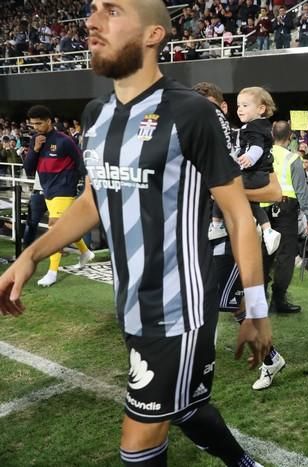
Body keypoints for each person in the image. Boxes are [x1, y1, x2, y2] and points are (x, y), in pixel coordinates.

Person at [0, 2, 272, 466]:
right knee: (186, 408)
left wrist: (256, 307)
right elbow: (92, 201)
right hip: (130, 304)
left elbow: (239, 215)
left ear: (153, 35)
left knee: (137, 443)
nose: (91, 22)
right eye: (91, 11)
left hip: (178, 311)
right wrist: (31, 254)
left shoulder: (192, 113)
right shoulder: (95, 114)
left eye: (112, 11)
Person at [193, 81, 285, 393]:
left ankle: (264, 357)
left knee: (223, 300)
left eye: (207, 107)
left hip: (236, 235)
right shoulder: (197, 141)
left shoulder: (244, 142)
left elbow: (274, 191)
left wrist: (226, 190)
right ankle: (267, 357)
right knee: (224, 303)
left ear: (222, 109)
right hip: (205, 232)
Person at [23, 105, 94, 287]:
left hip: (64, 190)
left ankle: (52, 272)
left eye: (39, 123)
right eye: (33, 125)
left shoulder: (65, 141)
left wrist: (82, 185)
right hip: (48, 190)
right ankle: (86, 253)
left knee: (55, 228)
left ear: (49, 121)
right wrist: (35, 149)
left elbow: (81, 163)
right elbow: (29, 170)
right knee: (66, 227)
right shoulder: (35, 140)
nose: (36, 127)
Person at [208, 87, 282, 257]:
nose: (240, 109)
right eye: (239, 105)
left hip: (235, 240)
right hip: (254, 177)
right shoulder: (253, 128)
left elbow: (275, 193)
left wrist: (229, 193)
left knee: (223, 188)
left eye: (245, 105)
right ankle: (267, 230)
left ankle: (217, 225)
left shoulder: (252, 128)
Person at [262, 121, 308, 314]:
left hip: (264, 211)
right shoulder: (293, 158)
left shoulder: (263, 153)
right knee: (285, 258)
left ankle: (260, 298)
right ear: (290, 137)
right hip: (285, 210)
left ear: (271, 134)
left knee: (264, 255)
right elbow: (302, 191)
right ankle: (279, 300)